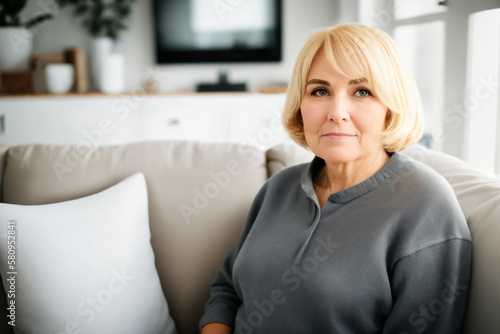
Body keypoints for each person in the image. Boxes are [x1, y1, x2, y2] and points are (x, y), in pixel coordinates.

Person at [199, 23, 472, 334]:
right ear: (300, 106)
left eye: (362, 91)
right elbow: (226, 291)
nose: (337, 111)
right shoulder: (278, 188)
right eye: (320, 91)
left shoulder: (427, 205)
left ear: (390, 108)